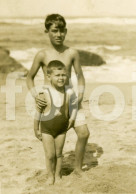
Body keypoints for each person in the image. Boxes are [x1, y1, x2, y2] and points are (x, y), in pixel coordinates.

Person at [26, 13, 90, 175]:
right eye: (54, 31)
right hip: (50, 102)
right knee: (52, 141)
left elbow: (80, 76)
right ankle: (52, 173)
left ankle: (77, 168)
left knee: (84, 133)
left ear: (66, 31)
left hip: (70, 99)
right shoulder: (42, 54)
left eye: (62, 31)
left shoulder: (72, 53)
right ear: (47, 31)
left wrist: (80, 95)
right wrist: (36, 95)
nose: (58, 34)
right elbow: (29, 77)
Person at [34, 60, 77, 185]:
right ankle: (50, 176)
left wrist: (72, 119)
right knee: (50, 155)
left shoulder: (69, 93)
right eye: (57, 75)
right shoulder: (45, 93)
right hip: (46, 129)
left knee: (59, 154)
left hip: (61, 130)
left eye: (63, 75)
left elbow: (73, 108)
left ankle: (58, 175)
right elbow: (38, 113)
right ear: (49, 77)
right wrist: (36, 129)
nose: (61, 78)